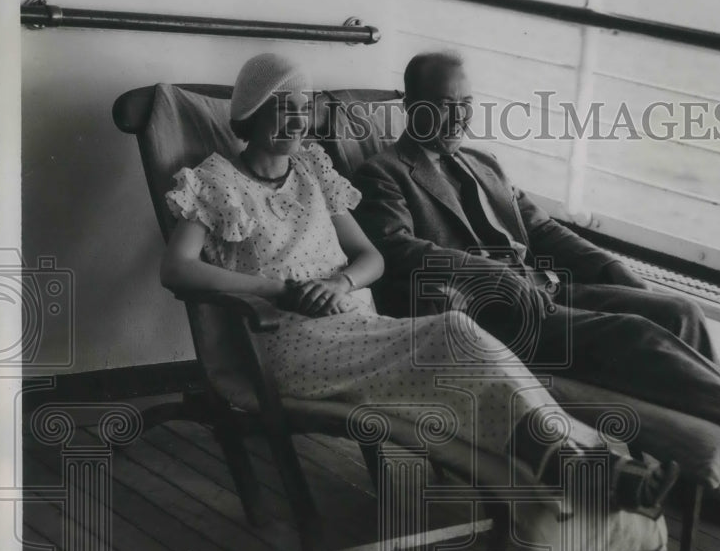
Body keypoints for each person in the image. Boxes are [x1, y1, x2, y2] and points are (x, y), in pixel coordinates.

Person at [351, 50, 720, 510]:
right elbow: (397, 248)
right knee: (637, 337)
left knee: (679, 312)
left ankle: (705, 472)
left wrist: (620, 274)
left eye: (466, 104)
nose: (460, 118)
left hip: (547, 288)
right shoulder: (386, 172)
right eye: (447, 106)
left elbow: (541, 229)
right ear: (412, 105)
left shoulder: (482, 162)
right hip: (492, 312)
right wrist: (493, 273)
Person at [158, 52, 678, 524]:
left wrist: (340, 280)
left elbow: (372, 258)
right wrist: (278, 289)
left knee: (463, 362)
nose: (296, 120)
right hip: (290, 341)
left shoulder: (312, 172)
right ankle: (588, 465)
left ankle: (590, 464)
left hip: (357, 326)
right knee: (453, 339)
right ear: (251, 114)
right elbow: (176, 269)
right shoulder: (216, 182)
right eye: (282, 109)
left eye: (304, 108)